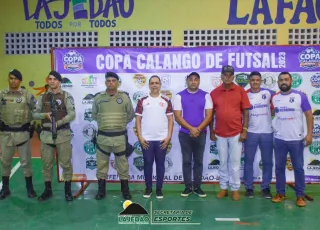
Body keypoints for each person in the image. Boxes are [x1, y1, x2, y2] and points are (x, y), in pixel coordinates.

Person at [271, 72, 313, 207]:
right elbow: (272, 114)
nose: (283, 82)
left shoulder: (300, 96)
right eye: (281, 80)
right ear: (278, 83)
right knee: (278, 168)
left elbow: (309, 116)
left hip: (296, 139)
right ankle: (280, 193)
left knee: (299, 168)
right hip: (279, 139)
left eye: (286, 79)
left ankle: (300, 196)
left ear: (291, 81)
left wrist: (310, 134)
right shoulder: (275, 98)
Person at [33, 70, 75, 202]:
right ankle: (48, 190)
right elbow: (34, 114)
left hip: (62, 135)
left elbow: (72, 114)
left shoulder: (66, 96)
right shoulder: (43, 97)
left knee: (66, 163)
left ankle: (68, 191)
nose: (52, 81)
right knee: (47, 164)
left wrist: (59, 123)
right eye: (50, 79)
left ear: (59, 81)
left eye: (54, 79)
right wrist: (44, 116)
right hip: (46, 136)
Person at [210, 65, 251, 201]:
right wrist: (211, 130)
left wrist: (244, 130)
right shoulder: (214, 92)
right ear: (221, 76)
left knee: (235, 163)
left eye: (230, 75)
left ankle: (235, 189)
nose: (227, 77)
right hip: (220, 133)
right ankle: (223, 188)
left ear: (233, 76)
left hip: (236, 133)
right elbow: (211, 114)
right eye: (225, 75)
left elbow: (246, 111)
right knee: (222, 162)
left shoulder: (240, 91)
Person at [92, 72, 134, 200]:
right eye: (108, 81)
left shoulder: (125, 97)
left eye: (113, 81)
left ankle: (125, 191)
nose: (111, 83)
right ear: (105, 83)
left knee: (122, 164)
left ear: (117, 83)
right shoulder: (98, 98)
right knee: (101, 164)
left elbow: (130, 115)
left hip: (120, 137)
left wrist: (118, 125)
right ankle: (101, 191)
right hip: (103, 138)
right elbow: (94, 115)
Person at [173, 72, 213, 198]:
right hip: (185, 134)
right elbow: (178, 117)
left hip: (201, 134)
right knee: (186, 161)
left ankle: (197, 187)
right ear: (187, 81)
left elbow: (209, 115)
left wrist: (198, 129)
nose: (193, 82)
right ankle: (187, 187)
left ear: (199, 81)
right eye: (191, 79)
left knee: (198, 162)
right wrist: (191, 129)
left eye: (196, 79)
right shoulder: (179, 96)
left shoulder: (206, 96)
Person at [0, 69, 37, 199]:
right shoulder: (2, 94)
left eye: (15, 78)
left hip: (22, 134)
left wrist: (33, 125)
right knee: (5, 162)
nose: (13, 80)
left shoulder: (27, 95)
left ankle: (30, 188)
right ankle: (5, 189)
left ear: (20, 80)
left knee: (26, 162)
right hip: (6, 134)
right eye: (10, 78)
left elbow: (36, 110)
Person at [135, 75, 174, 199]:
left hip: (162, 139)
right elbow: (138, 120)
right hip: (146, 139)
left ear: (160, 85)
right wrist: (140, 137)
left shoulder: (166, 100)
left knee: (160, 164)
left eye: (157, 83)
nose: (154, 85)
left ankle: (159, 189)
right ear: (149, 85)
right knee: (147, 164)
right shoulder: (142, 101)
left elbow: (171, 120)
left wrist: (168, 137)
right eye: (152, 83)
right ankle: (148, 188)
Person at [243, 71, 274, 199]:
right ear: (249, 81)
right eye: (253, 80)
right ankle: (249, 187)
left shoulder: (269, 93)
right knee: (248, 161)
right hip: (251, 132)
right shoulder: (244, 94)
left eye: (257, 80)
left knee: (267, 162)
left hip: (267, 132)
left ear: (261, 81)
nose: (255, 82)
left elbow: (280, 103)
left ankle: (265, 187)